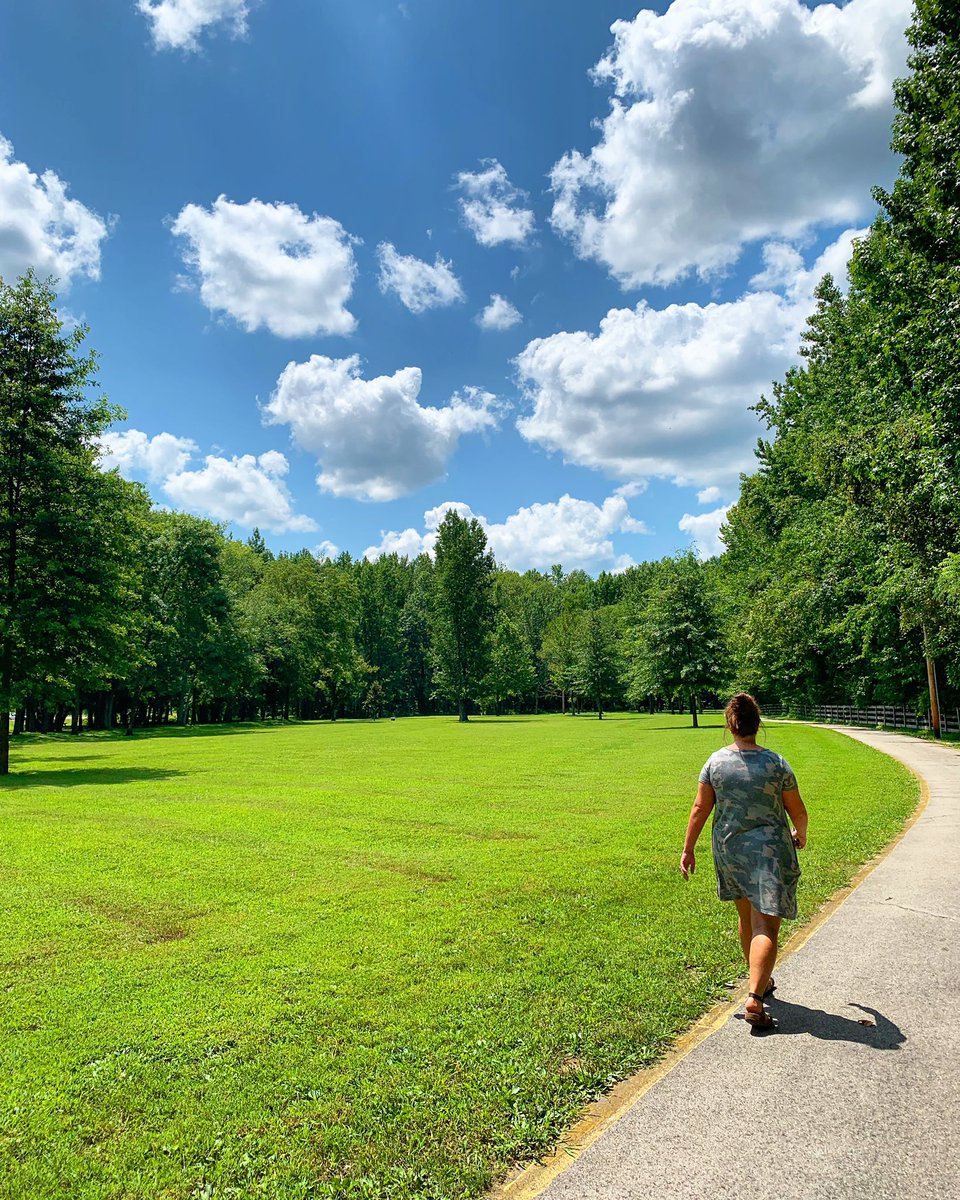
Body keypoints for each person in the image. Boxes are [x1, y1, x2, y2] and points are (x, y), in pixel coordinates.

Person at [680, 693, 808, 1031]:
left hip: (730, 850)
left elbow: (699, 809)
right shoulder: (776, 764)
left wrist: (688, 849)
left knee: (746, 918)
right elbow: (798, 812)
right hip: (769, 853)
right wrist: (800, 832)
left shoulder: (715, 763)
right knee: (765, 925)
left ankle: (761, 982)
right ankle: (755, 996)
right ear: (757, 725)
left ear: (730, 725)